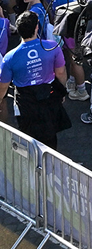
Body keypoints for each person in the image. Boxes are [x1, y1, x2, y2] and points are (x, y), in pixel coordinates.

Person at [0, 10, 67, 147]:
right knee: (50, 133)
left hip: (25, 101)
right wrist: (62, 92)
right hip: (49, 95)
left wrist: (0, 99)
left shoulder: (9, 58)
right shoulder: (52, 47)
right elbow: (60, 73)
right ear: (37, 27)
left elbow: (3, 86)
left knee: (28, 137)